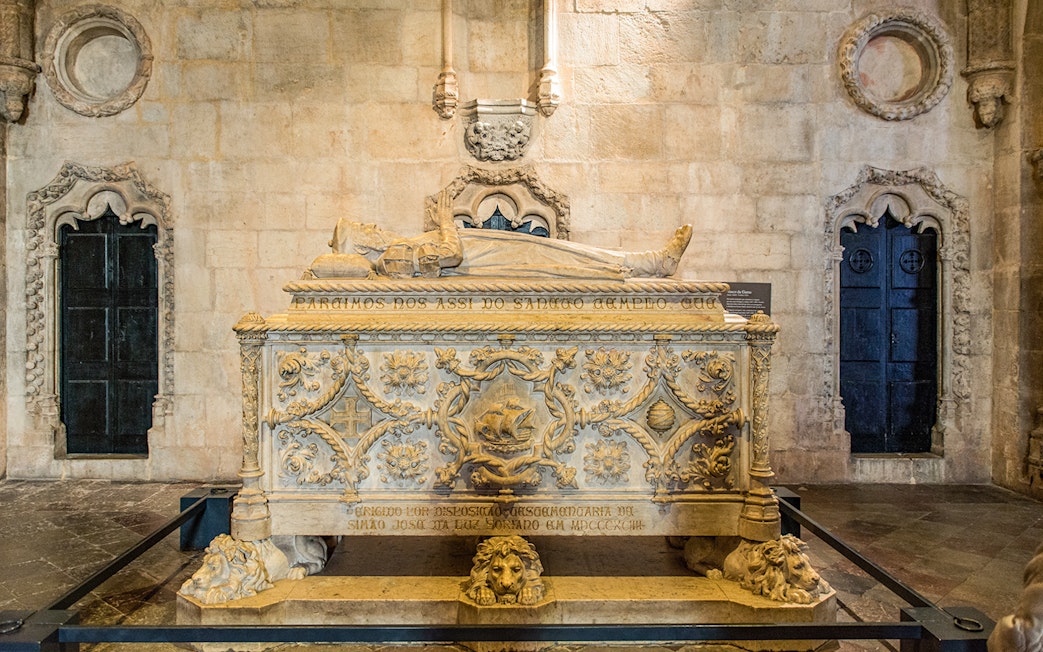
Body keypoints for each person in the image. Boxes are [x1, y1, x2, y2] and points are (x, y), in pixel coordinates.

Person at [309, 190, 692, 281]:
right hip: (485, 261)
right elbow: (450, 255)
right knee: (567, 263)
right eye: (365, 230)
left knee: (565, 252)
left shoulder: (396, 248)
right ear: (360, 244)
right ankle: (655, 264)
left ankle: (653, 262)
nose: (373, 228)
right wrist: (445, 218)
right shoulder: (391, 258)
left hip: (489, 249)